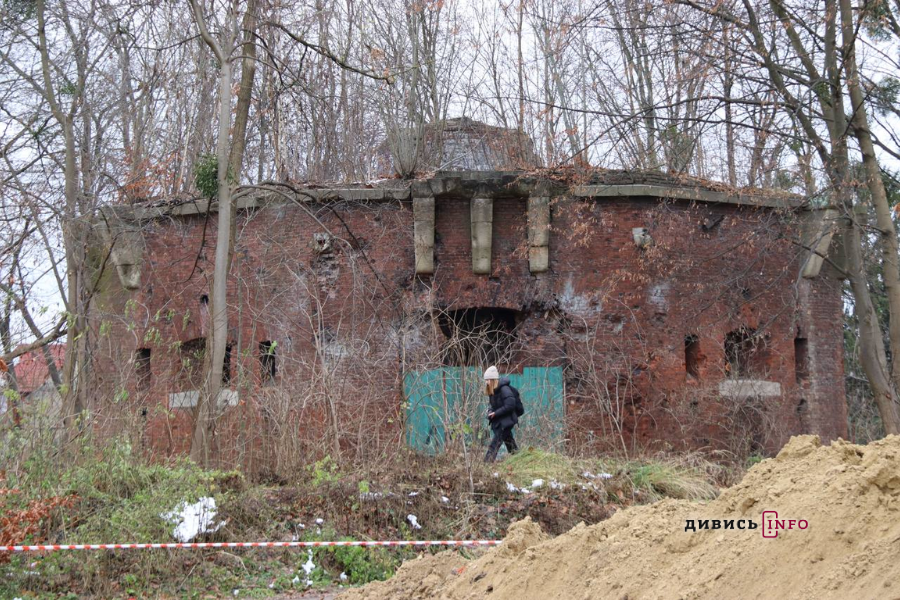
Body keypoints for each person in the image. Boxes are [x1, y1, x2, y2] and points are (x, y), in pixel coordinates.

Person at [483, 365, 519, 462]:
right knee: (509, 441)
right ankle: (518, 459)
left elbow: (510, 405)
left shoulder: (504, 389)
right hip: (501, 421)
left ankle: (486, 464)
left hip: (506, 421)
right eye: (486, 380)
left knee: (495, 443)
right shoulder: (493, 391)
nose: (486, 382)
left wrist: (496, 413)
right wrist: (491, 411)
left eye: (488, 380)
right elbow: (495, 406)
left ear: (493, 380)